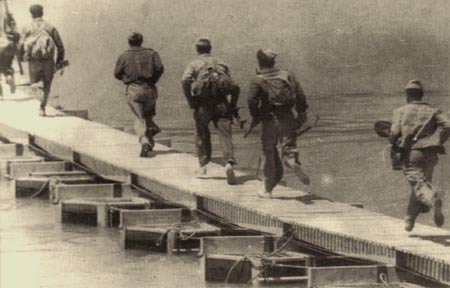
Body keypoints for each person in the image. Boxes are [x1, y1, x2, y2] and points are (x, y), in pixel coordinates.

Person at [247, 49, 310, 198]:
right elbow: (300, 95)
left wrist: (256, 116)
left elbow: (251, 100)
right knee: (289, 148)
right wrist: (301, 113)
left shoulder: (257, 79)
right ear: (274, 62)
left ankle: (267, 190)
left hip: (269, 120)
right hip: (288, 117)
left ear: (259, 62)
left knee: (268, 152)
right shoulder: (287, 75)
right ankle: (292, 161)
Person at [389, 80, 450, 231]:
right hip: (431, 153)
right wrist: (438, 140)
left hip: (411, 152)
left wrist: (393, 139)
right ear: (421, 95)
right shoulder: (434, 111)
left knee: (418, 185)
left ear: (407, 95)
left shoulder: (400, 111)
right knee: (421, 184)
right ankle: (409, 220)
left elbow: (394, 133)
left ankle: (432, 200)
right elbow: (448, 125)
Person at [181, 38, 240, 185]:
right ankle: (229, 163)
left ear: (197, 49)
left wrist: (190, 100)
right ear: (210, 48)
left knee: (201, 133)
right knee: (225, 135)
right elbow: (235, 85)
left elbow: (185, 81)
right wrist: (232, 105)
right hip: (222, 103)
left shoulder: (194, 64)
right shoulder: (222, 63)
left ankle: (203, 166)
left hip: (202, 105)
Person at [114, 32, 164, 157]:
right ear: (141, 41)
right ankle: (152, 134)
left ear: (129, 42)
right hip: (150, 88)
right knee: (148, 116)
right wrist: (153, 80)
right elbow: (160, 68)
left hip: (134, 88)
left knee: (139, 118)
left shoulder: (124, 55)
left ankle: (145, 142)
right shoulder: (152, 53)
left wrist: (127, 78)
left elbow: (116, 74)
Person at [19, 4, 65, 116]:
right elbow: (60, 46)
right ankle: (42, 108)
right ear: (42, 13)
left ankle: (39, 92)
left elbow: (20, 45)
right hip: (48, 61)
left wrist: (21, 57)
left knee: (35, 83)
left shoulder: (27, 27)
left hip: (34, 61)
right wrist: (59, 62)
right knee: (47, 85)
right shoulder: (50, 27)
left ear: (31, 14)